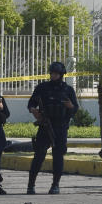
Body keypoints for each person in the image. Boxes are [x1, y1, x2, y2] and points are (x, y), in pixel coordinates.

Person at [27, 61, 78, 195]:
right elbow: (31, 103)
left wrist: (70, 107)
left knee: (58, 156)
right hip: (45, 125)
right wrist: (34, 110)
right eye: (52, 73)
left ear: (61, 75)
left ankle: (55, 185)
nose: (53, 76)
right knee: (39, 155)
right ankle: (31, 185)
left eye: (56, 73)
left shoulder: (68, 90)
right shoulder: (43, 88)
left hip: (60, 127)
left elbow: (75, 109)